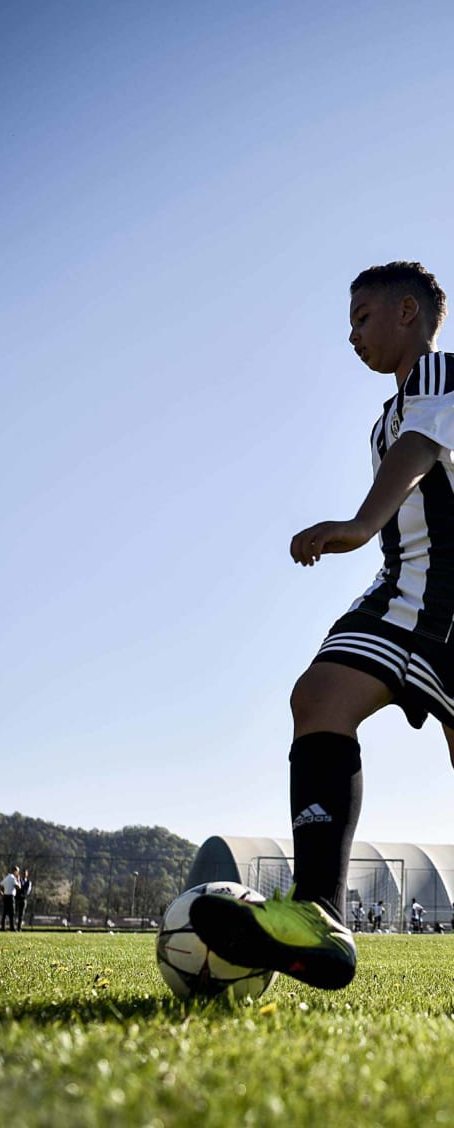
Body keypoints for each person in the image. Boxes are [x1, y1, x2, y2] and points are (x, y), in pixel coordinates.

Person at [191, 261, 452, 990]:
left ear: (409, 312)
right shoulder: (388, 415)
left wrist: (361, 522)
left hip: (445, 599)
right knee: (320, 697)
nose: (352, 336)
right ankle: (319, 917)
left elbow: (422, 450)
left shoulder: (437, 375)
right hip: (405, 594)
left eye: (362, 318)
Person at [0, 866, 20, 932]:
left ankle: (3, 927)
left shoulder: (7, 877)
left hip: (5, 896)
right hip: (10, 897)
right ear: (15, 871)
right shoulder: (13, 878)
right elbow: (18, 887)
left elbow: (0, 884)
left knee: (5, 912)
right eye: (17, 871)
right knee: (12, 913)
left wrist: (1, 893)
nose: (18, 873)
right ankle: (12, 927)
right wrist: (18, 880)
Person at [15, 867, 32, 931]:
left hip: (23, 899)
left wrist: (21, 890)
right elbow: (17, 888)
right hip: (17, 899)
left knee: (21, 914)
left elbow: (27, 891)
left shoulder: (28, 882)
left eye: (25, 873)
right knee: (15, 913)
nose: (24, 874)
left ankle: (19, 928)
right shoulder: (19, 880)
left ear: (27, 874)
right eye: (23, 873)